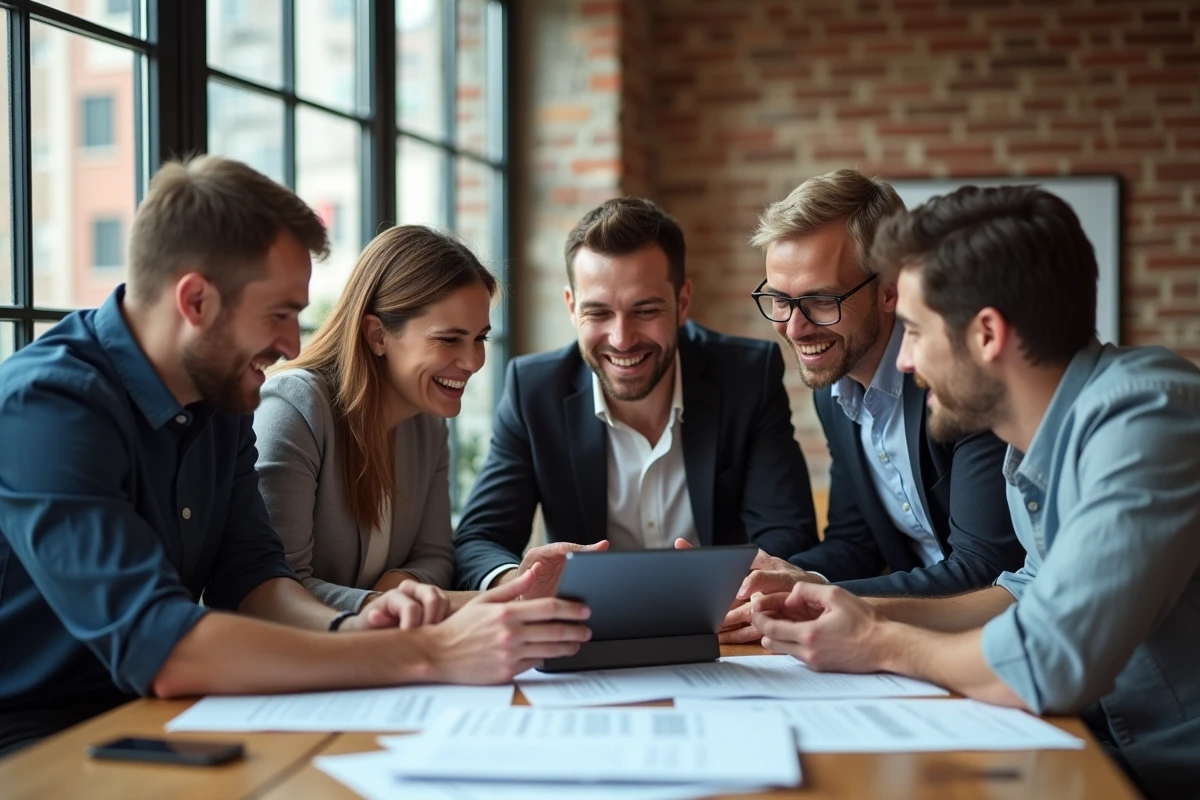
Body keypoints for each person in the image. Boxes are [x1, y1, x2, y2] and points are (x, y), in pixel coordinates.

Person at [0, 156, 590, 757]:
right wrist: (426, 652)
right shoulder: (48, 407)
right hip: (38, 732)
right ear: (196, 300)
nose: (291, 345)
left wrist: (357, 627)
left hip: (163, 714)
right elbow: (160, 644)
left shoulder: (223, 400)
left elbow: (255, 580)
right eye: (279, 314)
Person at [749, 184, 1200, 799]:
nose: (903, 361)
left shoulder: (1146, 417)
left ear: (986, 334)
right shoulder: (1031, 442)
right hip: (1096, 745)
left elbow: (1046, 660)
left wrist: (878, 642)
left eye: (914, 330)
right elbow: (1022, 592)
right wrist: (850, 606)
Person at [718, 170, 1025, 643]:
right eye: (780, 300)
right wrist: (764, 584)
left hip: (990, 639)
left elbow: (985, 569)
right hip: (909, 640)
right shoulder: (833, 391)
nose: (794, 329)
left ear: (889, 290)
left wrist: (814, 595)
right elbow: (855, 543)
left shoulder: (960, 380)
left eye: (821, 300)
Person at [453, 197, 819, 592]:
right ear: (572, 307)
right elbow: (479, 540)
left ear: (682, 303)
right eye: (598, 313)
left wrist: (744, 589)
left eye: (645, 311)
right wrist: (519, 582)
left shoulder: (747, 376)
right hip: (586, 622)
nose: (621, 339)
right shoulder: (534, 391)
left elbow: (788, 534)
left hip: (723, 615)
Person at [253, 226, 492, 611]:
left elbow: (436, 555)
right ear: (377, 335)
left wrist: (407, 581)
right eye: (449, 339)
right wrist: (381, 605)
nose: (473, 361)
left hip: (380, 644)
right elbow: (272, 589)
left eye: (480, 338)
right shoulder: (294, 410)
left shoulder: (428, 422)